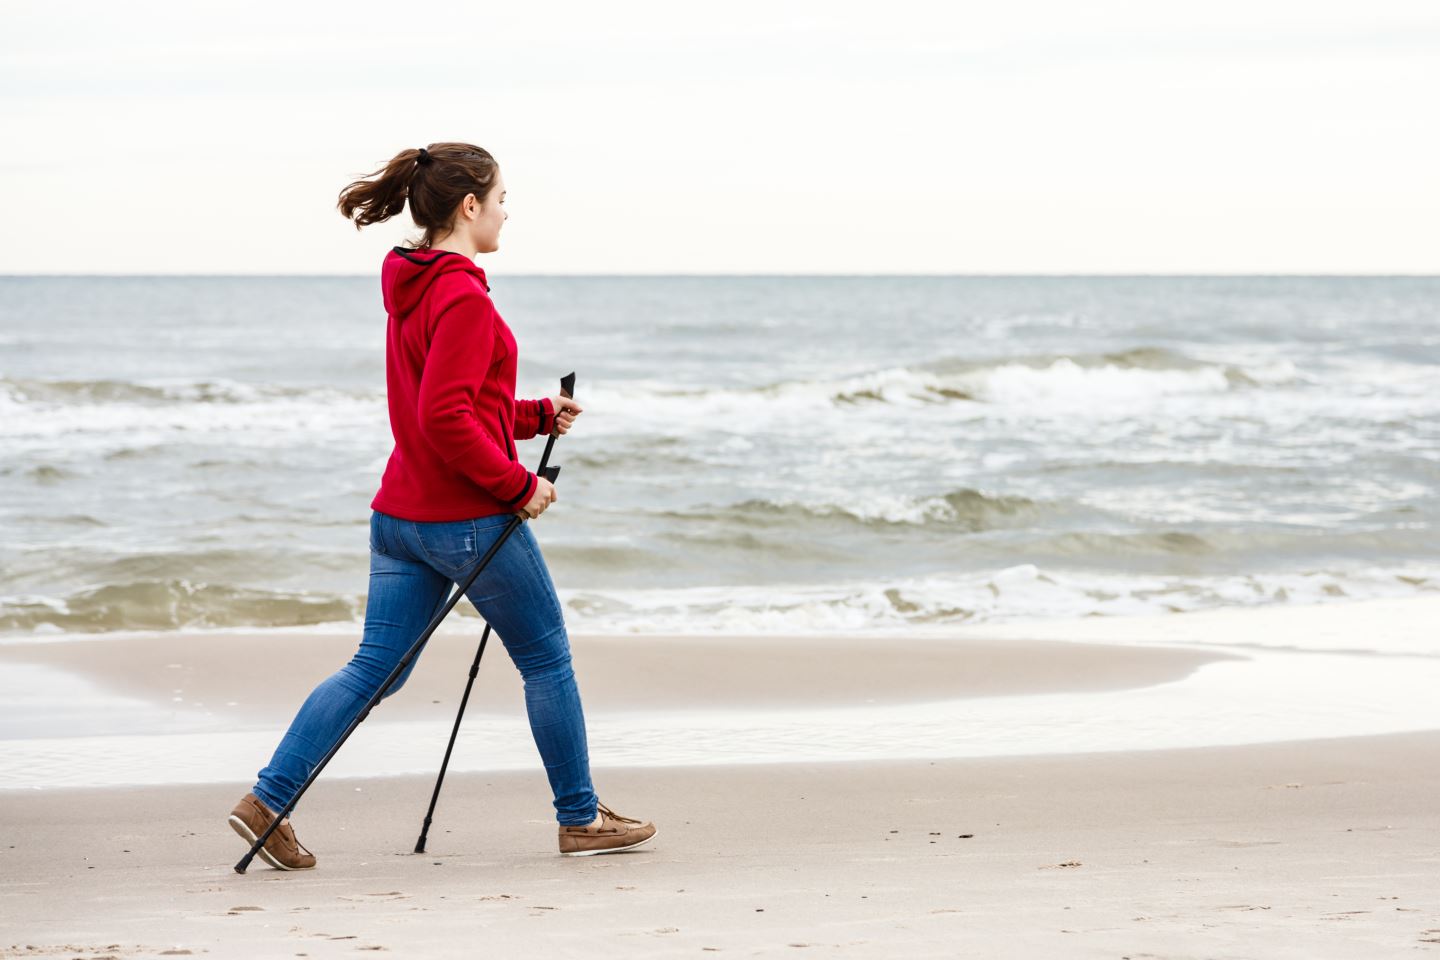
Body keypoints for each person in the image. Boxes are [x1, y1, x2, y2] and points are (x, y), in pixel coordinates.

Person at [226, 141, 657, 870]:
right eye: (500, 200)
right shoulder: (461, 293)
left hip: (401, 517)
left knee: (375, 669)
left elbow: (457, 400)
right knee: (547, 657)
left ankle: (268, 800)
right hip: (464, 519)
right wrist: (520, 485)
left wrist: (532, 414)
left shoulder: (413, 282)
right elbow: (446, 418)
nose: (505, 212)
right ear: (468, 206)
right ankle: (580, 818)